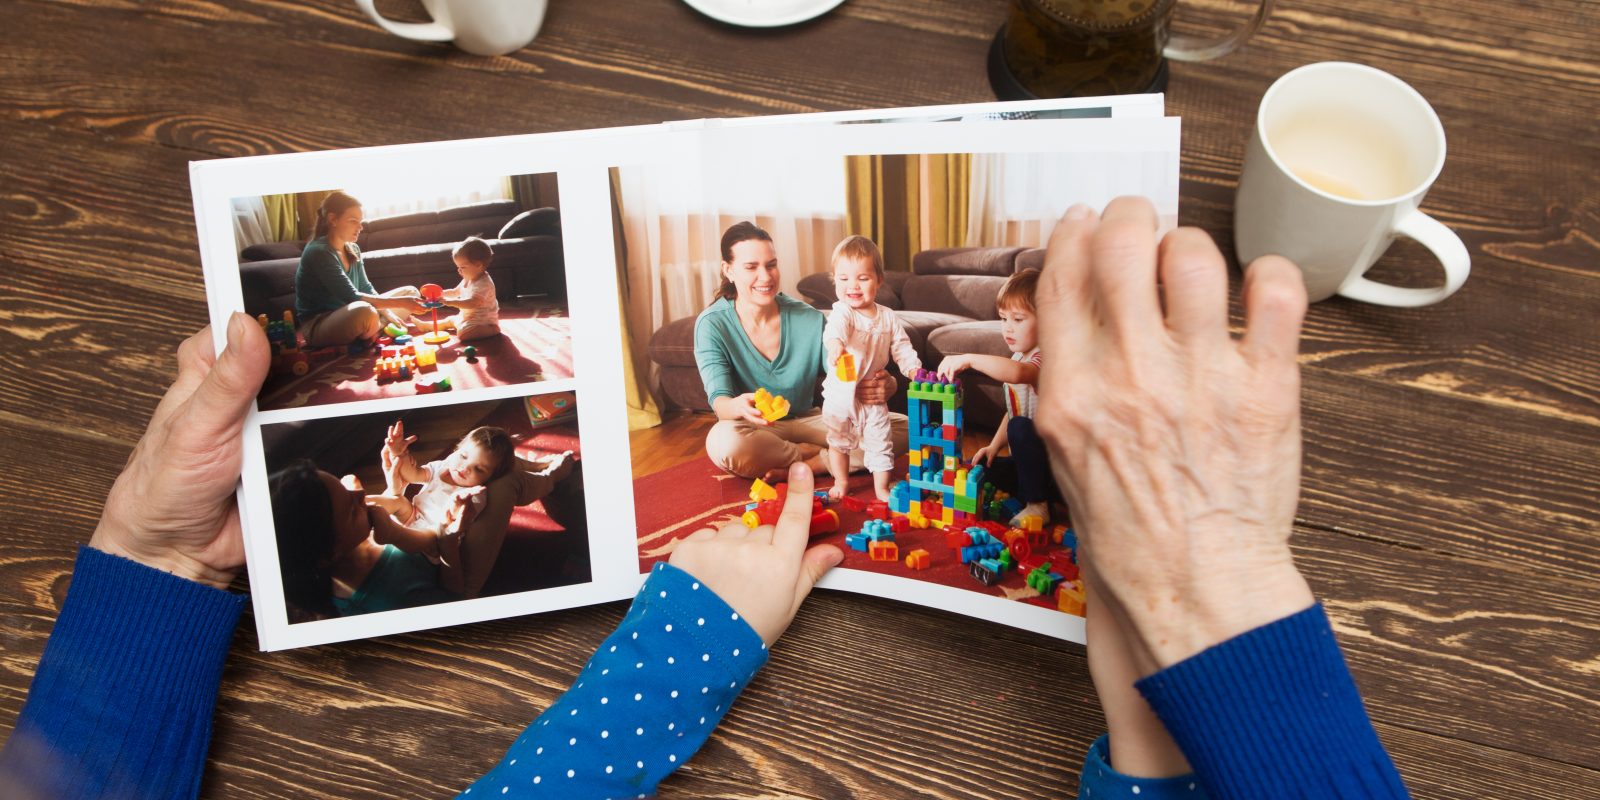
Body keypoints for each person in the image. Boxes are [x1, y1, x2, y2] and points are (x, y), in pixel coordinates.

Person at [1, 199, 1410, 799]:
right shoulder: (731, 323)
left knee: (825, 440)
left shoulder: (821, 318)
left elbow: (866, 371)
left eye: (780, 278)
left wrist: (149, 558)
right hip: (772, 439)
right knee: (744, 451)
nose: (765, 288)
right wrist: (1211, 581)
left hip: (836, 427)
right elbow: (728, 402)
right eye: (753, 276)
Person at [696, 221, 907, 483]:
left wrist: (888, 383)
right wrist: (737, 405)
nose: (766, 276)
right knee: (723, 442)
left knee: (902, 428)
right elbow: (720, 403)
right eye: (751, 267)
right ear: (728, 270)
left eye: (771, 265)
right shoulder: (712, 324)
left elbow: (843, 373)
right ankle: (811, 456)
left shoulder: (808, 317)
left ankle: (816, 462)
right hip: (757, 429)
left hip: (811, 419)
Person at [936, 268, 1054, 526]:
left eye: (1018, 320)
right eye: (1003, 319)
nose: (1008, 328)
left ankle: (1038, 505)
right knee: (977, 469)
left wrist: (969, 359)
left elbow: (1017, 375)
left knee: (1021, 428)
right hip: (1029, 464)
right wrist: (994, 446)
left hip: (1054, 467)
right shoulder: (1018, 356)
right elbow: (1013, 410)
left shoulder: (1044, 358)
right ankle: (1026, 494)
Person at [821, 235, 922, 502]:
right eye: (843, 279)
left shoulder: (888, 317)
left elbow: (901, 346)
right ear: (835, 280)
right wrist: (835, 346)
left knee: (880, 439)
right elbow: (835, 330)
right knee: (838, 440)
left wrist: (912, 369)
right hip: (842, 394)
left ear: (879, 280)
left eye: (862, 278)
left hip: (872, 394)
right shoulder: (843, 312)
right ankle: (841, 481)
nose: (852, 286)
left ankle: (881, 488)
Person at [295, 191, 427, 347]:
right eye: (353, 221)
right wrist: (400, 304)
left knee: (410, 292)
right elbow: (352, 297)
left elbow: (365, 287)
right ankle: (374, 330)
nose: (360, 227)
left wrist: (390, 312)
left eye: (360, 221)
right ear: (333, 219)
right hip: (319, 324)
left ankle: (372, 331)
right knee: (366, 311)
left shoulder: (353, 249)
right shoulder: (319, 251)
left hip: (351, 311)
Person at [416, 236, 502, 342]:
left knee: (462, 334)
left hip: (481, 321)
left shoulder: (483, 284)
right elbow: (455, 292)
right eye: (458, 267)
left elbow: (473, 303)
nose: (459, 271)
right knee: (450, 320)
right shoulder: (468, 278)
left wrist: (450, 302)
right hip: (466, 317)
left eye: (463, 267)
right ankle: (427, 326)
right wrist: (440, 294)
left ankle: (492, 329)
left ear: (478, 265)